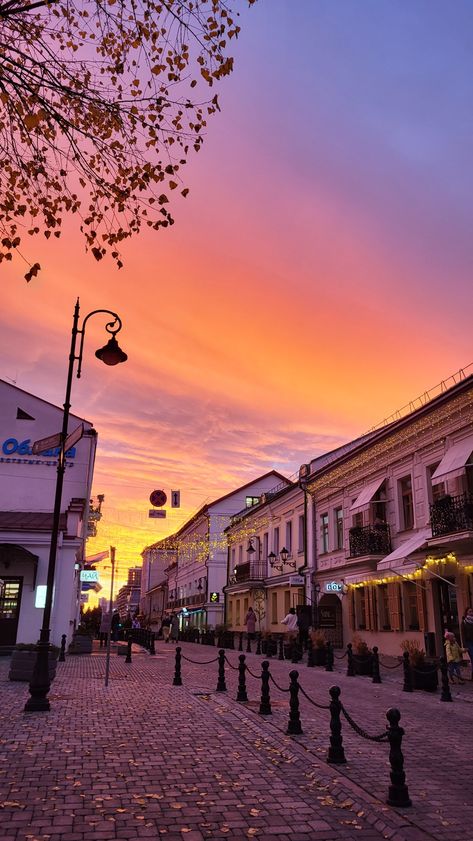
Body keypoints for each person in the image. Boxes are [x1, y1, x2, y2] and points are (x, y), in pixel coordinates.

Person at [461, 607, 473, 679]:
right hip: (469, 642)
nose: (471, 613)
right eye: (470, 612)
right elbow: (463, 634)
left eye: (472, 611)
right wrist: (464, 645)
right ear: (466, 613)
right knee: (472, 656)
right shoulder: (464, 622)